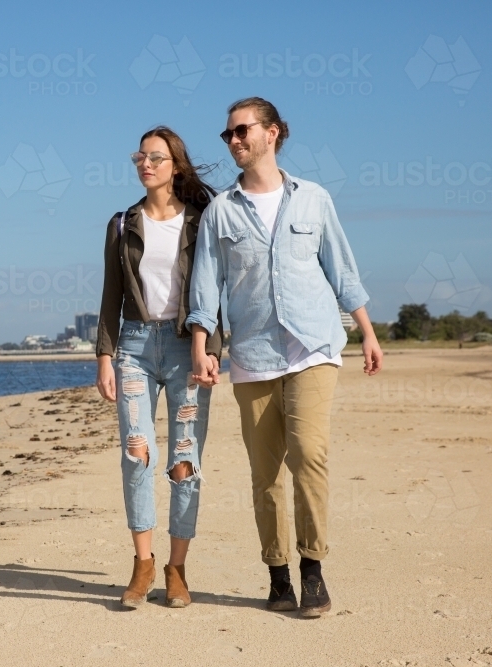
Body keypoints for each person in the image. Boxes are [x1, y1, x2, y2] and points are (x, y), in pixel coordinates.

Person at [186, 97, 383, 618]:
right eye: (227, 134)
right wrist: (203, 348)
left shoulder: (313, 199)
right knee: (265, 473)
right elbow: (206, 288)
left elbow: (342, 268)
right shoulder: (220, 211)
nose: (232, 140)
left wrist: (366, 331)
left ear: (272, 133)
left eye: (241, 131)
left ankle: (313, 569)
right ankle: (278, 576)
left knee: (309, 455)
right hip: (252, 355)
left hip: (313, 347)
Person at [95, 126, 223, 609]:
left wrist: (209, 346)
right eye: (140, 157)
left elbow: (213, 289)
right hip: (133, 345)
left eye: (155, 157)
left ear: (175, 165)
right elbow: (110, 294)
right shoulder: (121, 223)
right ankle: (143, 565)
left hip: (187, 345)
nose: (145, 164)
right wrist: (105, 356)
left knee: (184, 462)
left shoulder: (200, 220)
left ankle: (177, 568)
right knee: (137, 454)